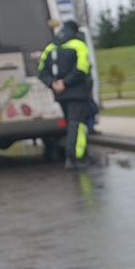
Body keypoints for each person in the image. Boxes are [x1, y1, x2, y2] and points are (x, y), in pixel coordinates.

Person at [38, 20, 94, 169]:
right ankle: (75, 158)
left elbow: (42, 72)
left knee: (71, 124)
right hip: (78, 93)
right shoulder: (78, 45)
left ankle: (74, 156)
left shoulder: (50, 47)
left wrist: (53, 84)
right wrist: (66, 83)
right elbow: (82, 68)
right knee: (78, 125)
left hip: (60, 94)